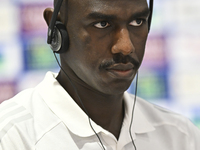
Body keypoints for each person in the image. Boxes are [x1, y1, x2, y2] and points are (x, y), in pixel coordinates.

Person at [0, 0, 200, 149]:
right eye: (102, 24)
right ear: (56, 29)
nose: (126, 47)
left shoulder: (180, 135)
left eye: (138, 21)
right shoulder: (12, 136)